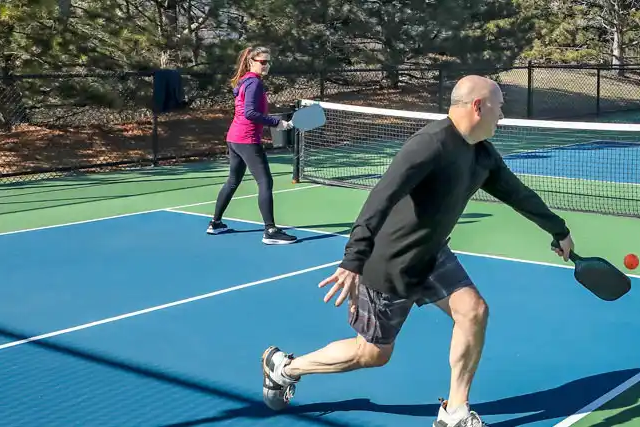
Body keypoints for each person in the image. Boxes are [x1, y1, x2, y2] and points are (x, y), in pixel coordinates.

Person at [259, 75, 576, 427]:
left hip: (432, 254)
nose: (502, 114)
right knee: (373, 353)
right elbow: (381, 198)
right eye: (499, 106)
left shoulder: (481, 153)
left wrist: (557, 229)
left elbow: (518, 194)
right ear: (478, 106)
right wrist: (354, 259)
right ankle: (285, 368)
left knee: (473, 311)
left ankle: (455, 411)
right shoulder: (430, 145)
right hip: (391, 262)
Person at [206, 46, 297, 244]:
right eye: (262, 62)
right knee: (265, 182)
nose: (266, 65)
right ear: (251, 62)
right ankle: (270, 230)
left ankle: (215, 223)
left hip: (234, 138)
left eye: (268, 62)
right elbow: (250, 113)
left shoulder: (244, 81)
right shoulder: (254, 83)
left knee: (233, 180)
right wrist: (276, 122)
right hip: (246, 139)